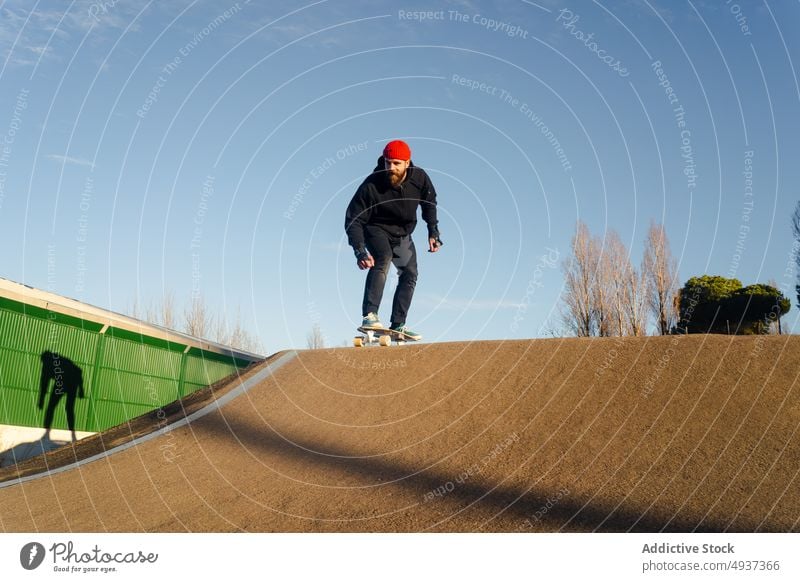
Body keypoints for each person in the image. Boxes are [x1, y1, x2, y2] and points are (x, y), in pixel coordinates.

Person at [345, 140, 442, 340]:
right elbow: (353, 219)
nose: (391, 168)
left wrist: (433, 231)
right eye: (388, 163)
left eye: (397, 163)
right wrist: (360, 250)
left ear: (407, 162)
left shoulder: (420, 178)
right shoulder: (372, 184)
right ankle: (370, 315)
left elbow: (429, 202)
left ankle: (398, 323)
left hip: (402, 234)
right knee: (383, 258)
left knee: (410, 273)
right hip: (376, 228)